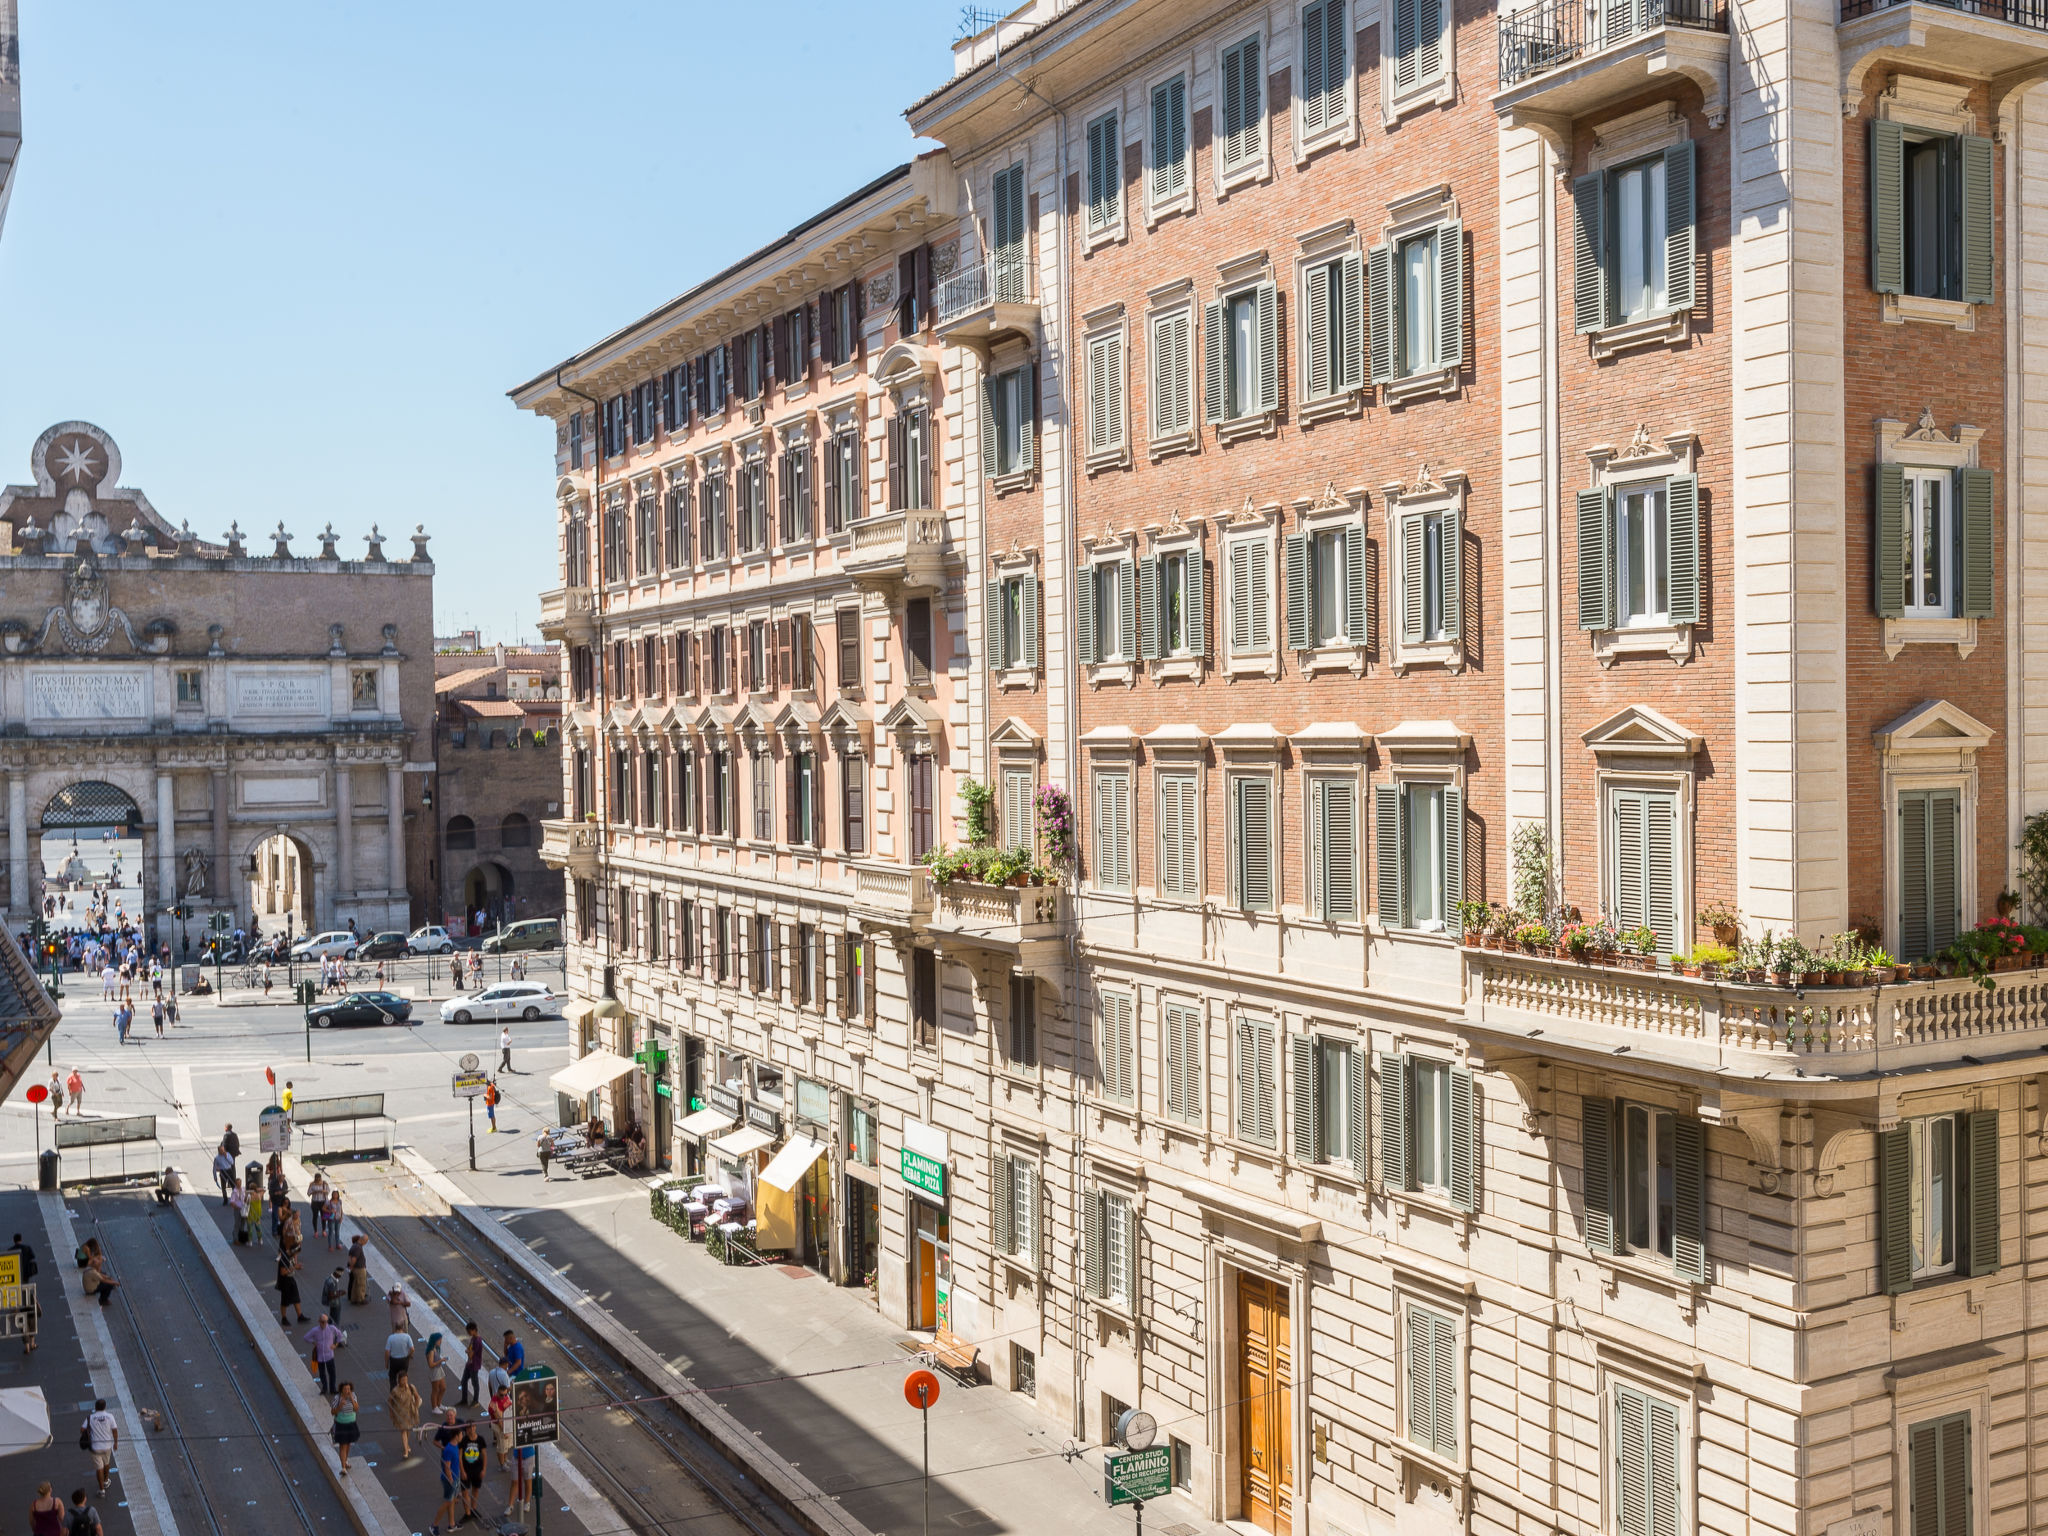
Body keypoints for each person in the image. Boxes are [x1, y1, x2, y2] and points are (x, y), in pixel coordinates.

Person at [82, 1400, 117, 1494]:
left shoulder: (90, 1418)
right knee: (106, 1463)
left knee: (99, 1468)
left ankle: (101, 1490)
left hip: (95, 1447)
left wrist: (90, 1432)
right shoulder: (110, 1416)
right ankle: (106, 1481)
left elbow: (82, 1429)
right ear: (105, 1407)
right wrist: (116, 1443)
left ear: (95, 1407)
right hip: (107, 1446)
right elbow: (114, 1430)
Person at [304, 1313, 342, 1398]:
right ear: (319, 1321)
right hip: (320, 1356)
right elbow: (306, 1337)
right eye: (322, 1322)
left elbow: (340, 1335)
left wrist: (335, 1344)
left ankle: (332, 1388)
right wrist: (313, 1342)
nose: (323, 1323)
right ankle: (324, 1388)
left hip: (329, 1355)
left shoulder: (332, 1328)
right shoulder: (315, 1330)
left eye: (325, 1322)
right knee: (322, 1373)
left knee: (332, 1373)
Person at [387, 1371, 423, 1460]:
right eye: (403, 1380)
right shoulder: (395, 1390)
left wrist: (416, 1406)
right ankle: (406, 1451)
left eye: (406, 1379)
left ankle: (406, 1445)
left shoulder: (411, 1387)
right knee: (403, 1430)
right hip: (400, 1413)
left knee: (408, 1429)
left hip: (409, 1412)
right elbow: (390, 1401)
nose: (404, 1381)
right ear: (399, 1380)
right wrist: (391, 1412)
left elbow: (417, 1396)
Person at [458, 1421, 488, 1523]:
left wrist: (484, 1469)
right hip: (466, 1470)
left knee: (475, 1489)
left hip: (477, 1469)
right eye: (468, 1428)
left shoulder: (480, 1439)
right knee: (465, 1491)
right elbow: (460, 1456)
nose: (470, 1430)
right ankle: (467, 1513)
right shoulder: (463, 1440)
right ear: (466, 1430)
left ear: (475, 1427)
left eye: (472, 1427)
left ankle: (473, 1509)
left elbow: (484, 1455)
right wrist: (462, 1471)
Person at [330, 1382, 359, 1473]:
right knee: (343, 1445)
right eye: (345, 1389)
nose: (347, 1391)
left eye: (349, 1389)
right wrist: (340, 1406)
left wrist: (352, 1400)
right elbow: (333, 1412)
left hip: (351, 1424)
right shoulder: (337, 1398)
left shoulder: (353, 1396)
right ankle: (343, 1467)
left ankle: (345, 1461)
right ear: (341, 1390)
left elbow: (356, 1409)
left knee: (348, 1444)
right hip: (341, 1424)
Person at [275, 1249, 305, 1324]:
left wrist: (297, 1265)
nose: (296, 1254)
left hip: (291, 1278)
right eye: (296, 1252)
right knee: (285, 1300)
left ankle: (299, 1315)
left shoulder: (291, 1257)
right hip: (285, 1280)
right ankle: (284, 1318)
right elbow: (283, 1272)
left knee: (296, 1297)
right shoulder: (284, 1258)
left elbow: (293, 1265)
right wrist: (295, 1267)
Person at [459, 1320, 485, 1406]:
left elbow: (471, 1354)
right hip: (469, 1364)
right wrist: (468, 1351)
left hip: (474, 1365)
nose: (468, 1333)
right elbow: (470, 1349)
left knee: (475, 1383)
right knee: (464, 1381)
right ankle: (464, 1399)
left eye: (469, 1331)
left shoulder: (477, 1340)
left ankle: (475, 1400)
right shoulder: (473, 1338)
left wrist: (468, 1352)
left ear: (474, 1330)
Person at [385, 1320, 414, 1388]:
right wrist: (409, 1356)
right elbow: (412, 1349)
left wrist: (386, 1363)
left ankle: (394, 1393)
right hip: (404, 1360)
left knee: (392, 1377)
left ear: (395, 1328)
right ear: (403, 1328)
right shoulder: (407, 1337)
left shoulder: (391, 1337)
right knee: (403, 1377)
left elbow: (387, 1352)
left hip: (394, 1360)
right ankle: (403, 1390)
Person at [424, 1330, 448, 1410]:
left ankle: (439, 1403)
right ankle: (434, 1407)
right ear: (435, 1341)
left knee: (443, 1388)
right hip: (434, 1371)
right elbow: (431, 1365)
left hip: (439, 1369)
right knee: (435, 1390)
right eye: (439, 1340)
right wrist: (441, 1360)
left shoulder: (435, 1349)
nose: (440, 1341)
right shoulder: (431, 1351)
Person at [346, 1235, 370, 1306]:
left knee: (355, 1284)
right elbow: (353, 1259)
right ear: (363, 1241)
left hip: (356, 1268)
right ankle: (360, 1299)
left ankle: (354, 1299)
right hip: (359, 1269)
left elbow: (350, 1257)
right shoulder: (358, 1248)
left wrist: (350, 1267)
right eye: (366, 1242)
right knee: (360, 1285)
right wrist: (351, 1267)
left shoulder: (355, 1245)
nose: (365, 1243)